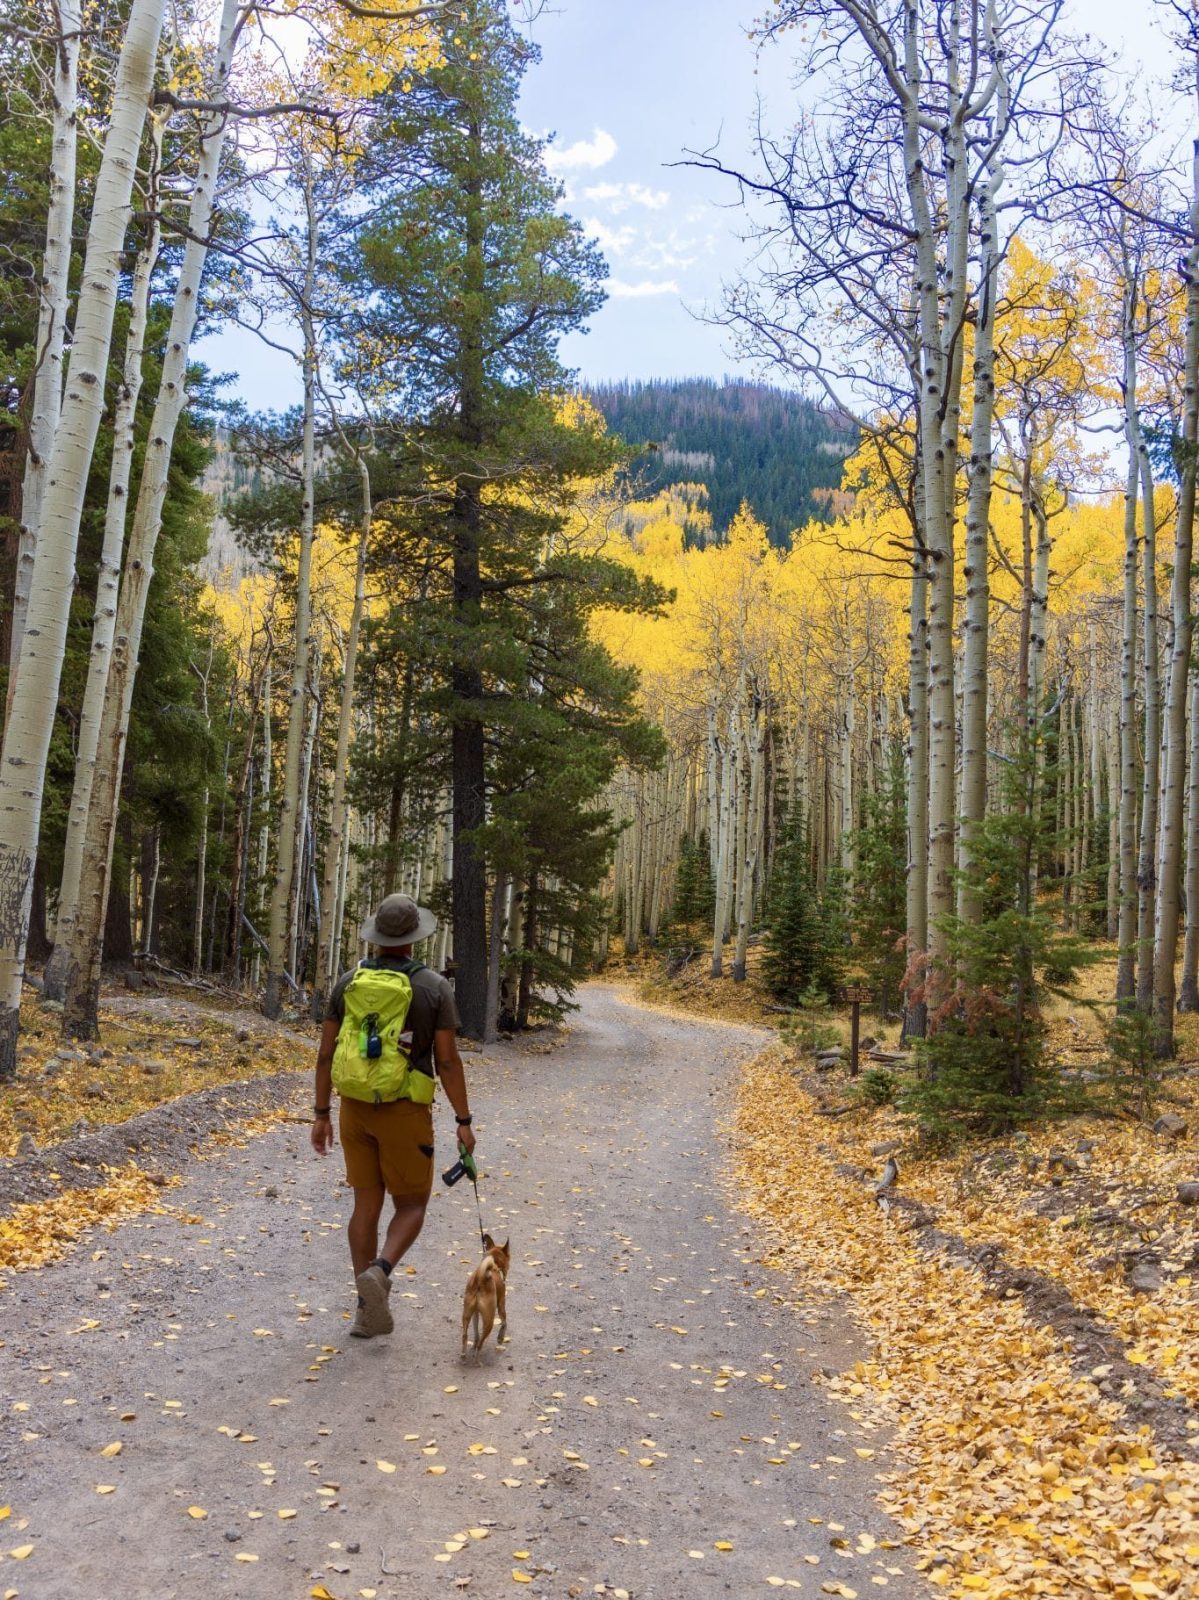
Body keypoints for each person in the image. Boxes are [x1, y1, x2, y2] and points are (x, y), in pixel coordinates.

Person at [311, 893, 476, 1339]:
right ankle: (381, 1272)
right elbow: (447, 1061)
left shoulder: (348, 982)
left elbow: (326, 1054)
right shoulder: (433, 987)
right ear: (415, 938)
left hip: (353, 1110)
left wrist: (321, 1113)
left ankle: (366, 1311)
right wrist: (464, 1120)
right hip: (405, 1110)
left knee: (366, 1205)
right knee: (412, 1204)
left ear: (377, 937)